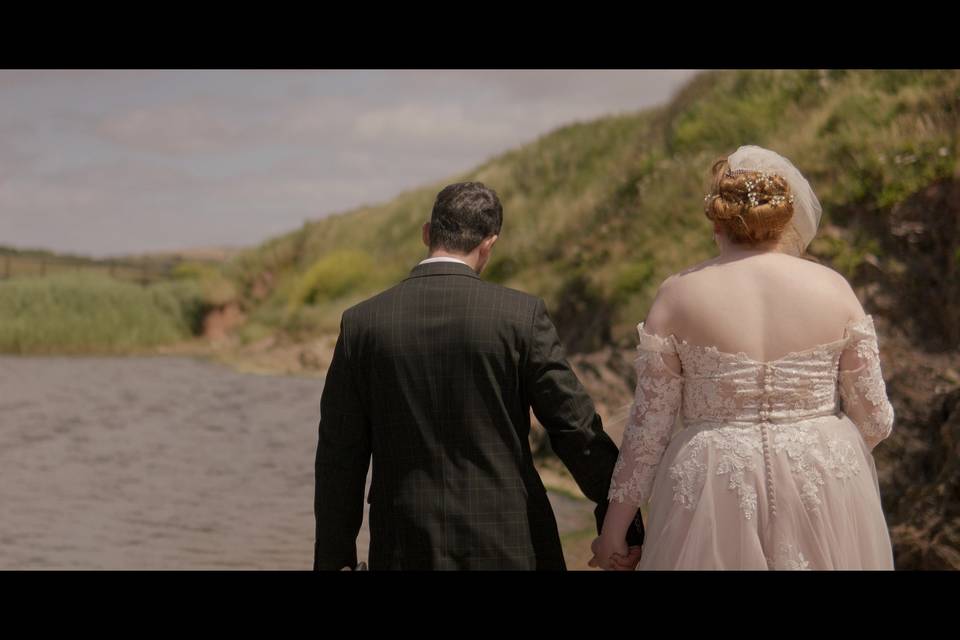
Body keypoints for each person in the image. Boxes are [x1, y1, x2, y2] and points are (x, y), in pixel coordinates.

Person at [590, 146, 896, 570]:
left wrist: (613, 531)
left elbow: (648, 433)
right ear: (785, 218)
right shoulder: (835, 288)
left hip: (713, 486)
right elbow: (875, 420)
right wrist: (818, 445)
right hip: (821, 478)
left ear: (717, 220)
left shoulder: (678, 294)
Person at [314, 181, 643, 570]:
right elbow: (575, 429)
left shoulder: (362, 324)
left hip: (404, 545)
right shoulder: (521, 317)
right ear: (489, 243)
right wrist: (622, 522)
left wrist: (335, 561)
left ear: (426, 233)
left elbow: (340, 457)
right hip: (512, 541)